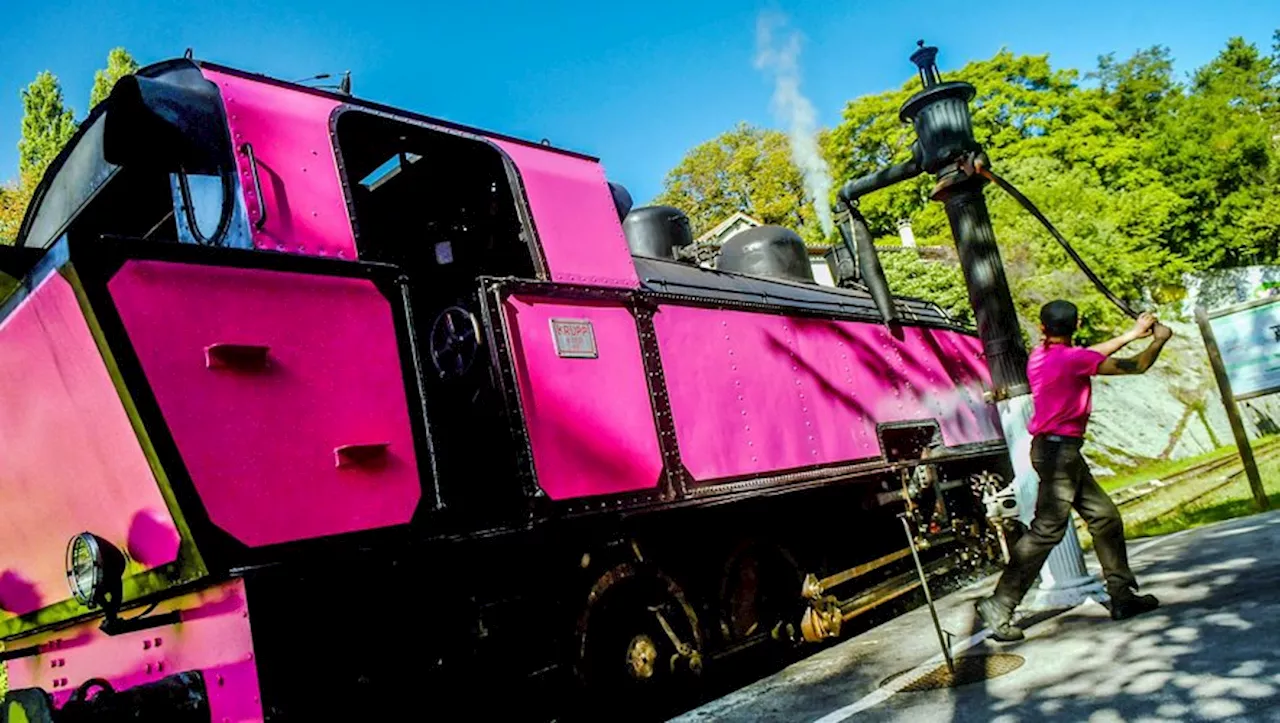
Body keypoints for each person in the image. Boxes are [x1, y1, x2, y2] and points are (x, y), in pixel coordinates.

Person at [976, 300, 1174, 642]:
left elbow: (1088, 354)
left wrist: (1131, 333)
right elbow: (1137, 366)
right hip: (1059, 454)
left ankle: (1122, 596)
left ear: (1042, 328)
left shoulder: (1042, 355)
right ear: (1077, 324)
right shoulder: (1075, 360)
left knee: (1105, 517)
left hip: (1057, 450)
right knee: (1047, 530)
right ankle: (1000, 603)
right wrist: (1157, 340)